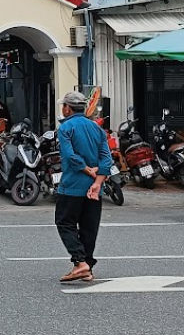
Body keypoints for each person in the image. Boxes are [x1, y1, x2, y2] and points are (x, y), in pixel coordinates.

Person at [54, 91, 113, 283]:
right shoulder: (97, 128)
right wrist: (97, 182)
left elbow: (70, 156)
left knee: (65, 223)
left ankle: (80, 262)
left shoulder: (65, 128)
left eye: (63, 106)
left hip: (72, 186)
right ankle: (87, 267)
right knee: (89, 228)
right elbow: (106, 158)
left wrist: (88, 171)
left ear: (67, 108)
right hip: (95, 189)